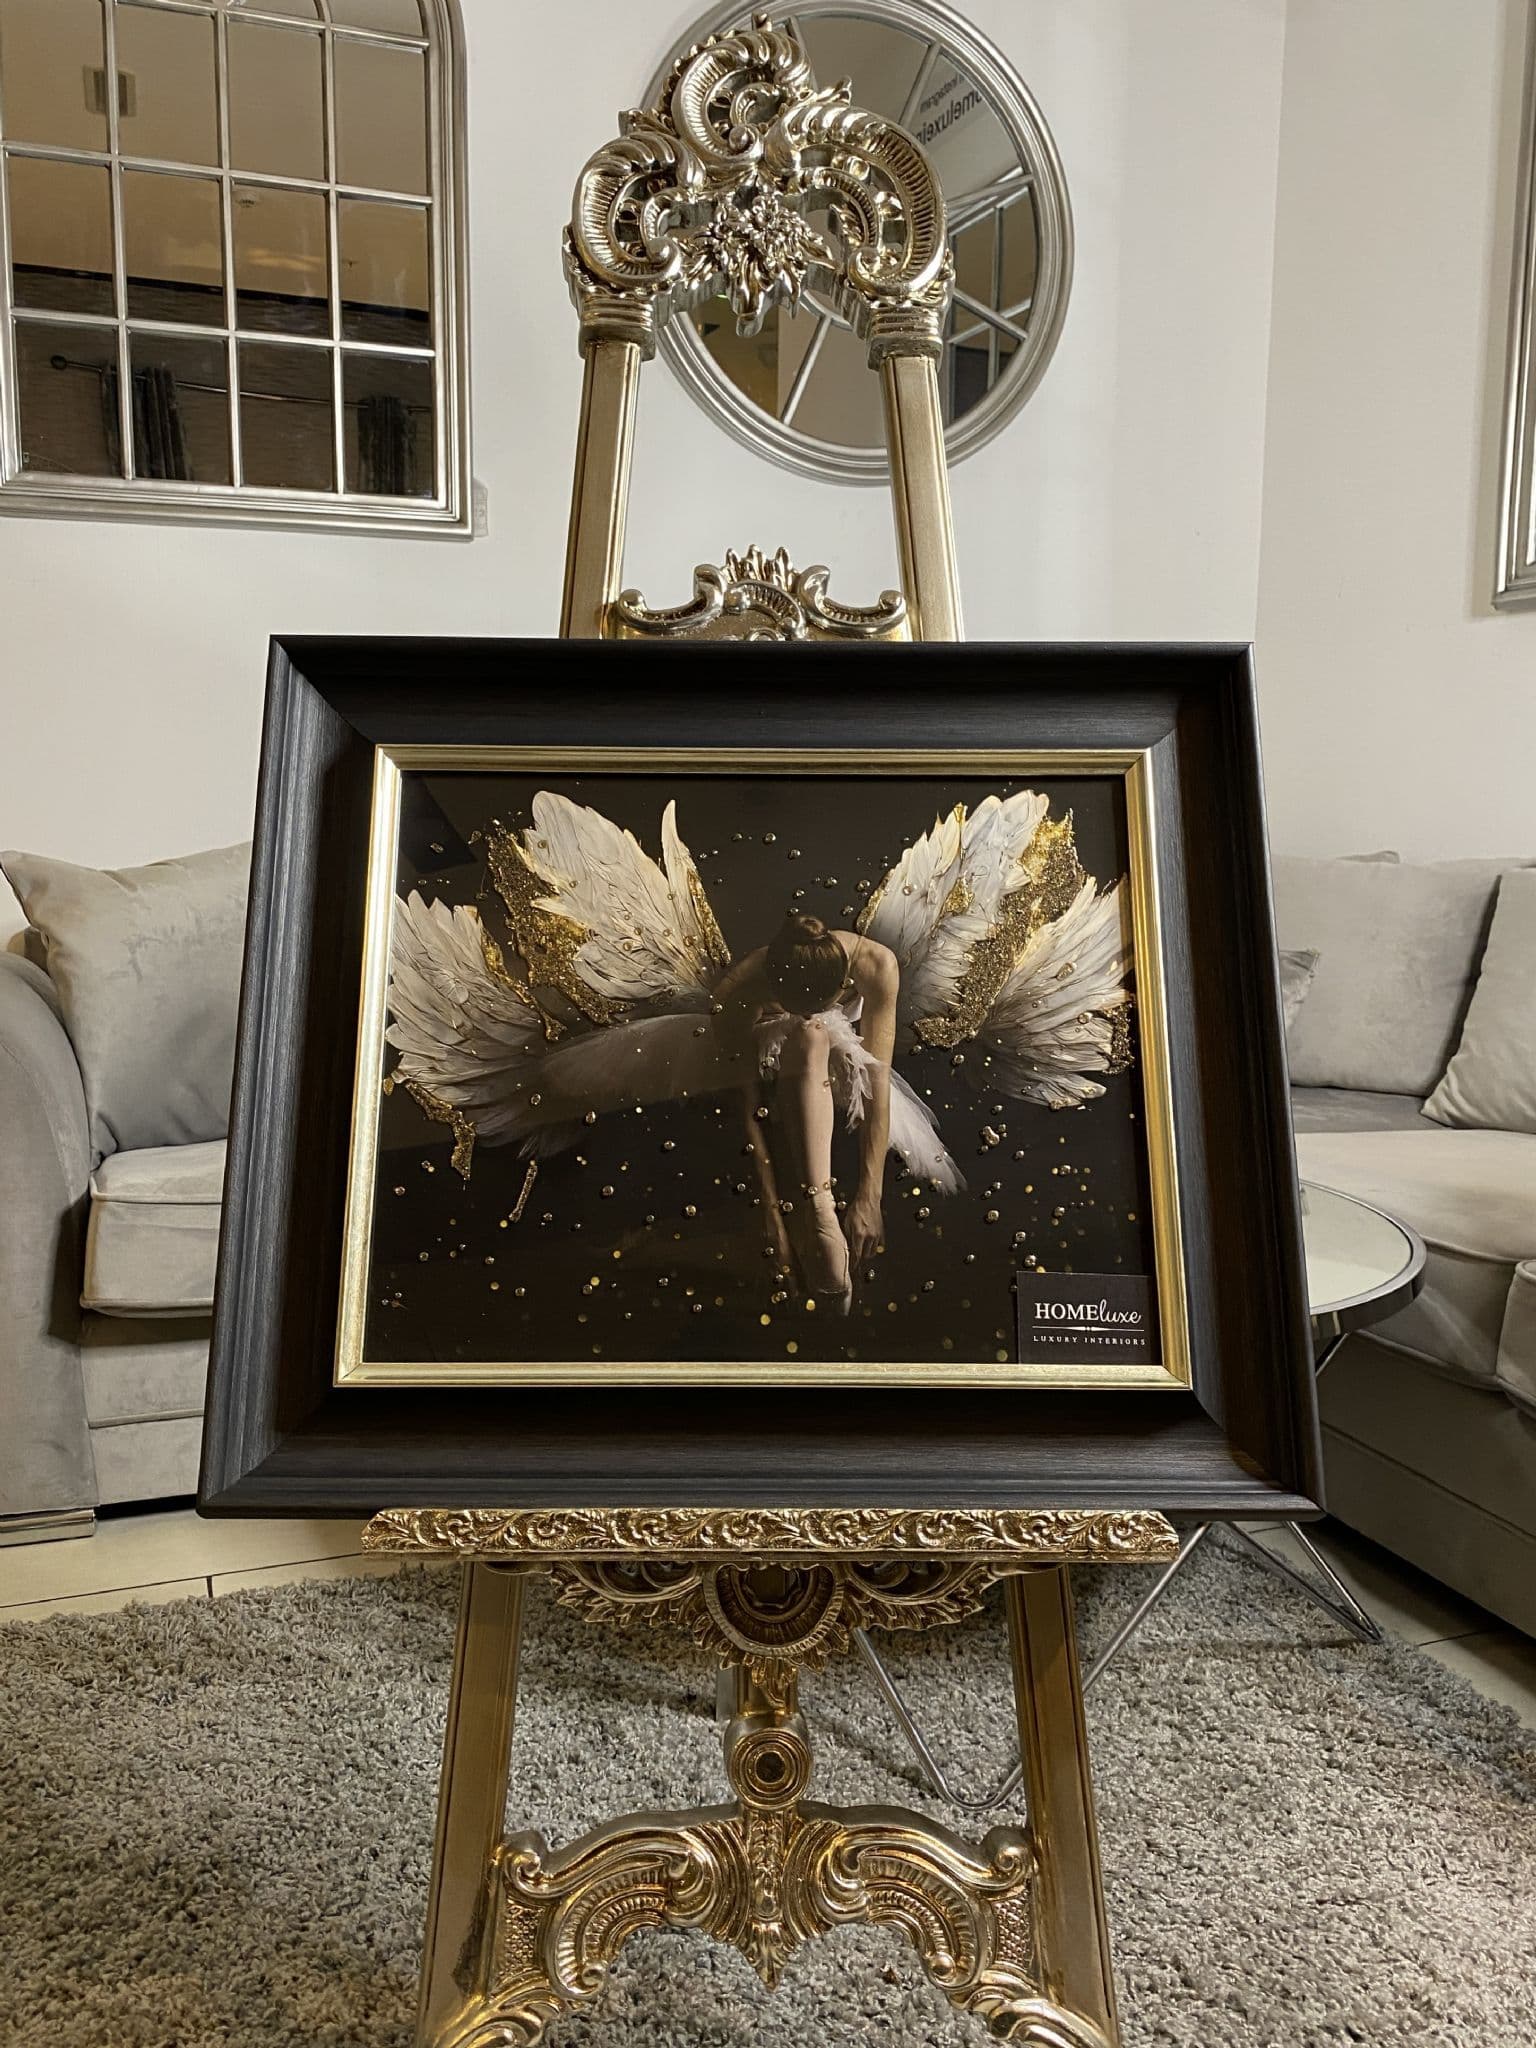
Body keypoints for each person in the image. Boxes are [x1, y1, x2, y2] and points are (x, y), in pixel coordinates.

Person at [713, 912, 899, 1309]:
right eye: (796, 1005)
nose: (812, 1013)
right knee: (810, 1034)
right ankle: (819, 1211)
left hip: (838, 1070)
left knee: (815, 1032)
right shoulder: (742, 988)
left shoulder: (876, 964)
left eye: (820, 1005)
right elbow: (746, 1105)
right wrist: (770, 1215)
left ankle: (820, 1213)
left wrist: (870, 1196)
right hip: (773, 1068)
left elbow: (876, 1081)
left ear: (842, 983)